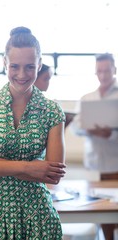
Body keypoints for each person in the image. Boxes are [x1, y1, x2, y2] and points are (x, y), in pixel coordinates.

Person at [0, 26, 66, 240]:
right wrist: (29, 168)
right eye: (14, 66)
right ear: (4, 63)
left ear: (39, 64)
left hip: (37, 216)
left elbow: (52, 176)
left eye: (29, 67)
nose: (21, 75)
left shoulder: (52, 111)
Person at [70, 53, 118, 240]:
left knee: (115, 211)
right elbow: (75, 126)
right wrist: (88, 130)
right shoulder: (87, 98)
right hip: (94, 163)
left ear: (114, 69)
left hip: (116, 164)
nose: (103, 75)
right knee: (98, 208)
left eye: (107, 70)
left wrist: (111, 134)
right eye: (99, 71)